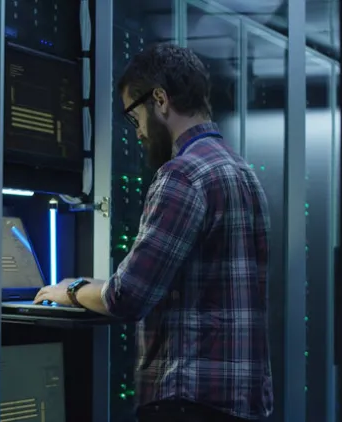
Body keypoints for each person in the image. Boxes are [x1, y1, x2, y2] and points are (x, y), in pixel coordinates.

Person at [33, 43, 274, 422]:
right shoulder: (242, 172)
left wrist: (73, 291)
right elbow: (193, 287)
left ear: (159, 100)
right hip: (239, 400)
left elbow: (127, 297)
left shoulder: (181, 175)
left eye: (134, 117)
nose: (138, 133)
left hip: (188, 401)